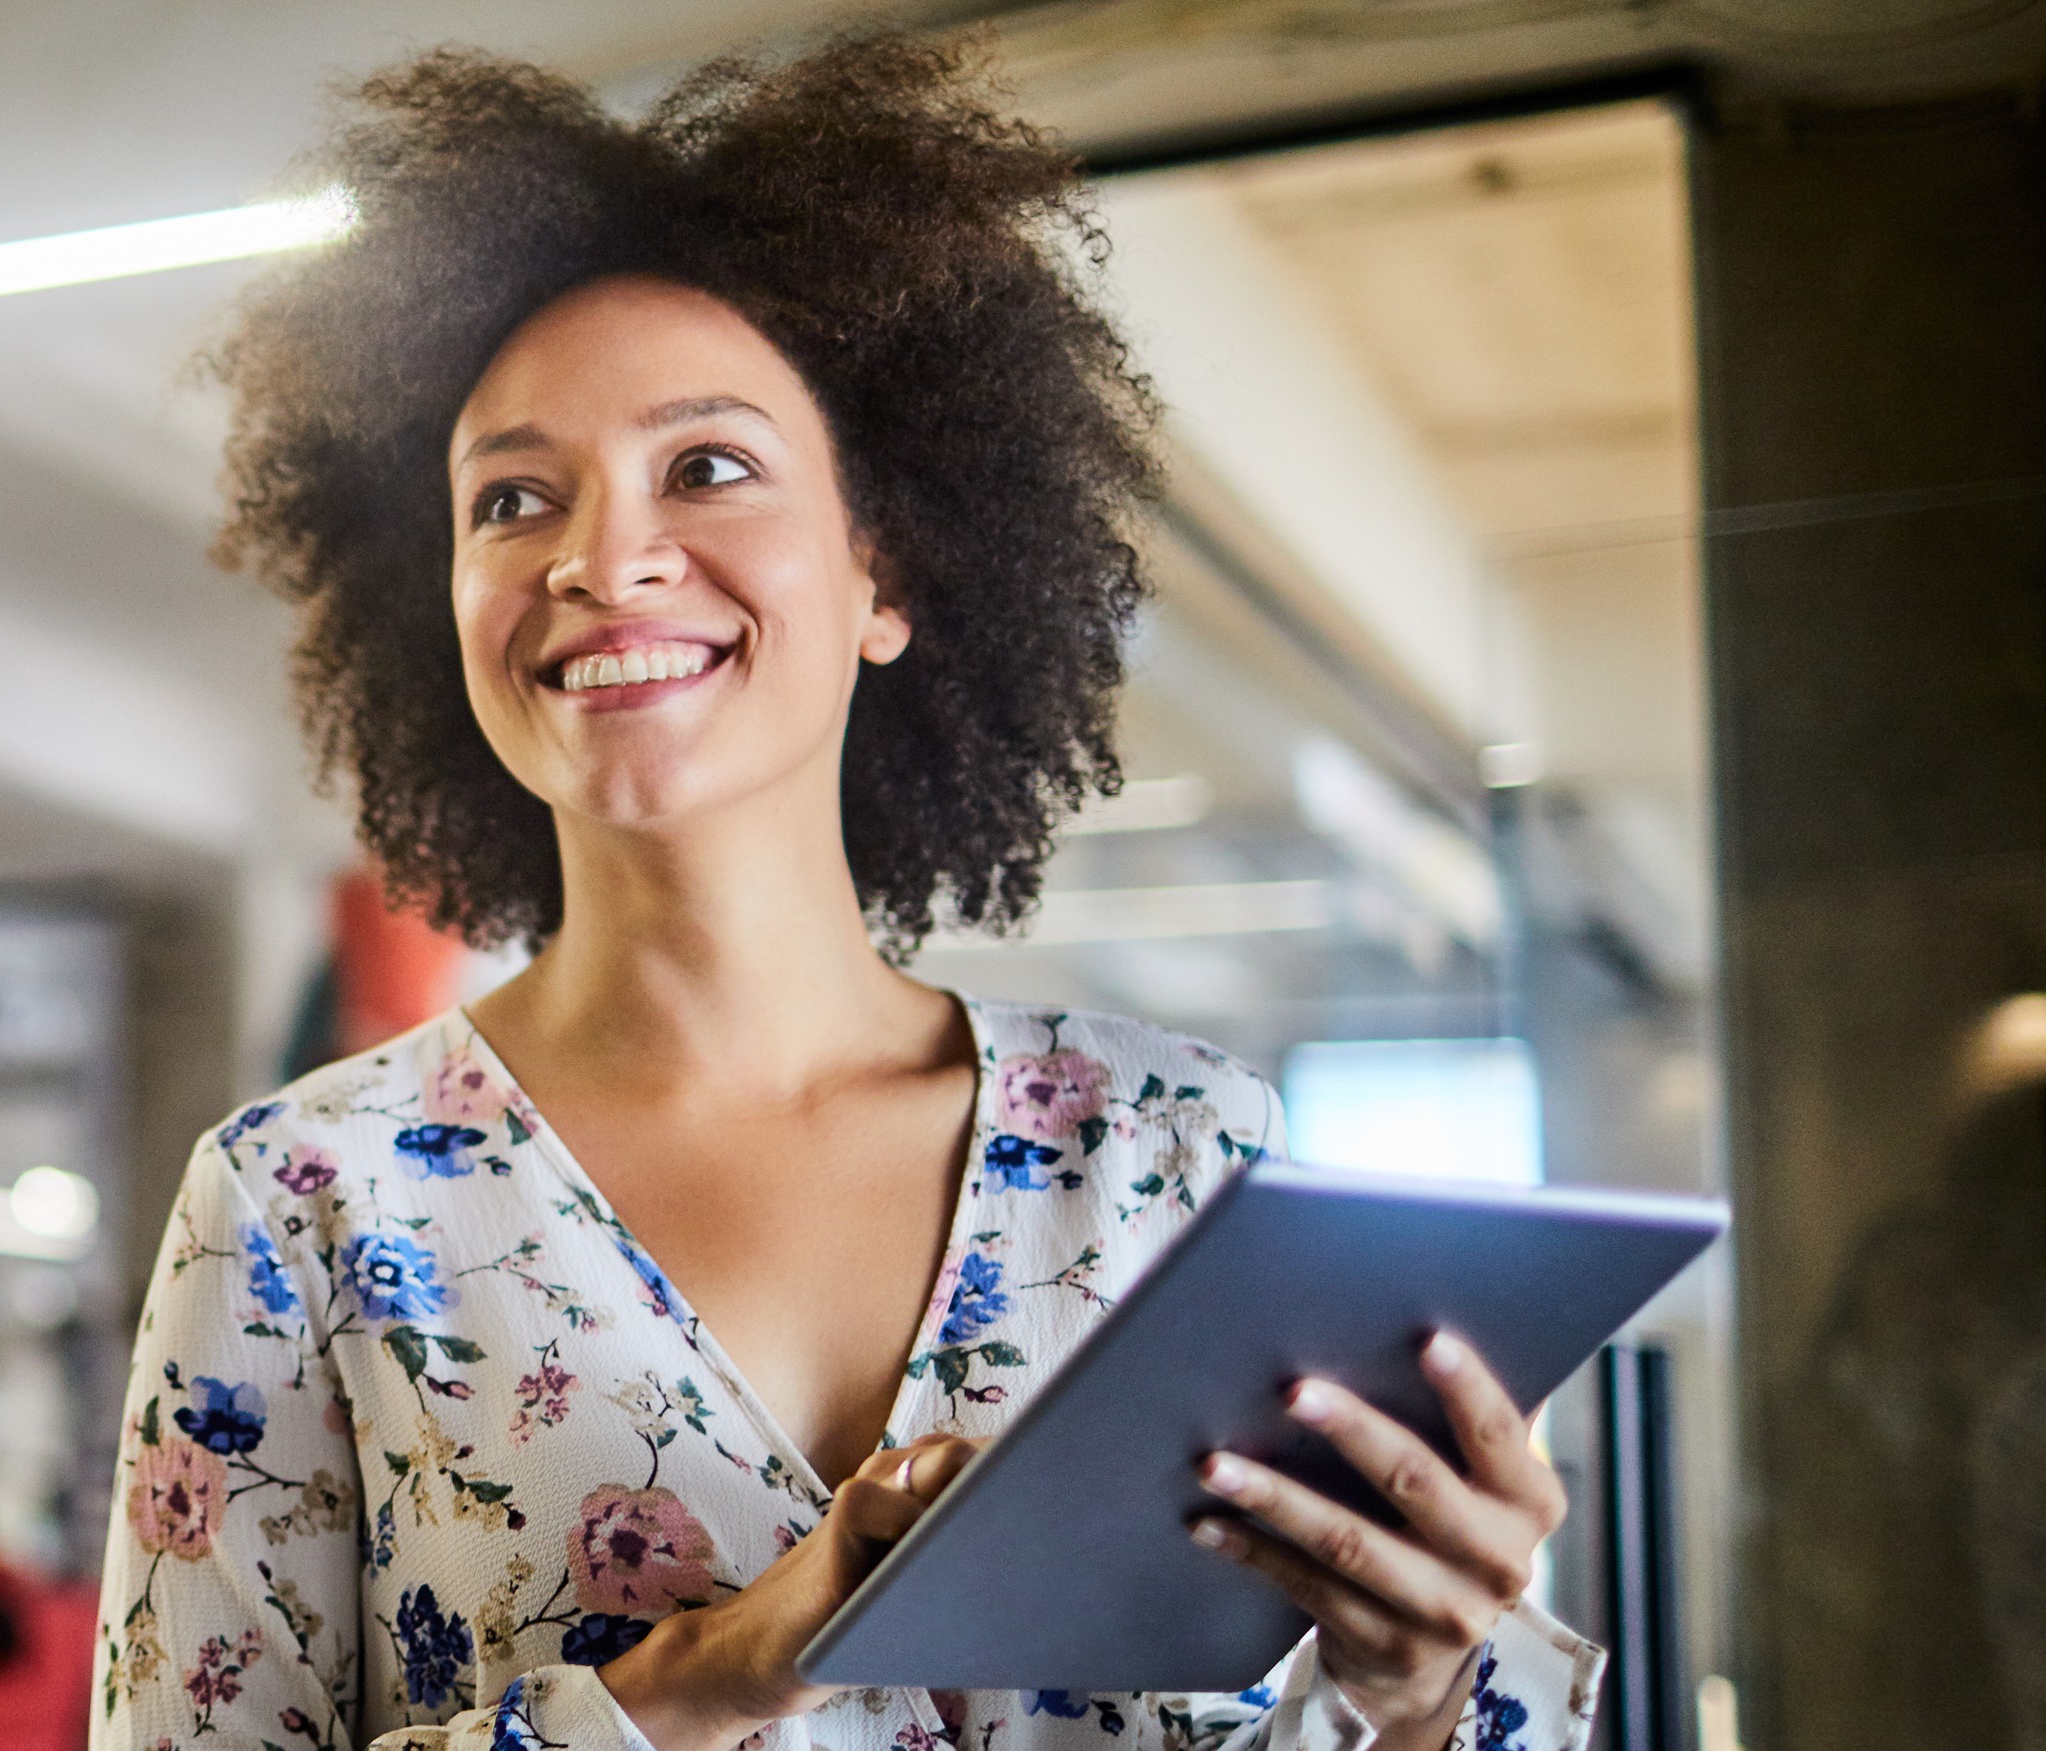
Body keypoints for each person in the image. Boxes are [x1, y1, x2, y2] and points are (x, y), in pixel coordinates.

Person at [97, 38, 1598, 1751]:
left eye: (706, 466)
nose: (598, 556)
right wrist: (694, 1683)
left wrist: (1409, 1699)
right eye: (512, 498)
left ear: (884, 569)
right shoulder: (301, 1205)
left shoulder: (1172, 1156)